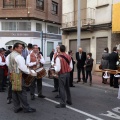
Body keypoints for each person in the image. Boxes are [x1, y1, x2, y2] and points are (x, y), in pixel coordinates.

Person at [6, 43, 36, 113]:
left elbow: (7, 63)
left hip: (12, 75)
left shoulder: (9, 55)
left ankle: (16, 107)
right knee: (22, 92)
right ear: (15, 48)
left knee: (14, 92)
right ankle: (26, 108)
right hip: (19, 76)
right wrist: (30, 72)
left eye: (22, 48)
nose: (22, 49)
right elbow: (23, 68)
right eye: (20, 48)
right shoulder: (19, 57)